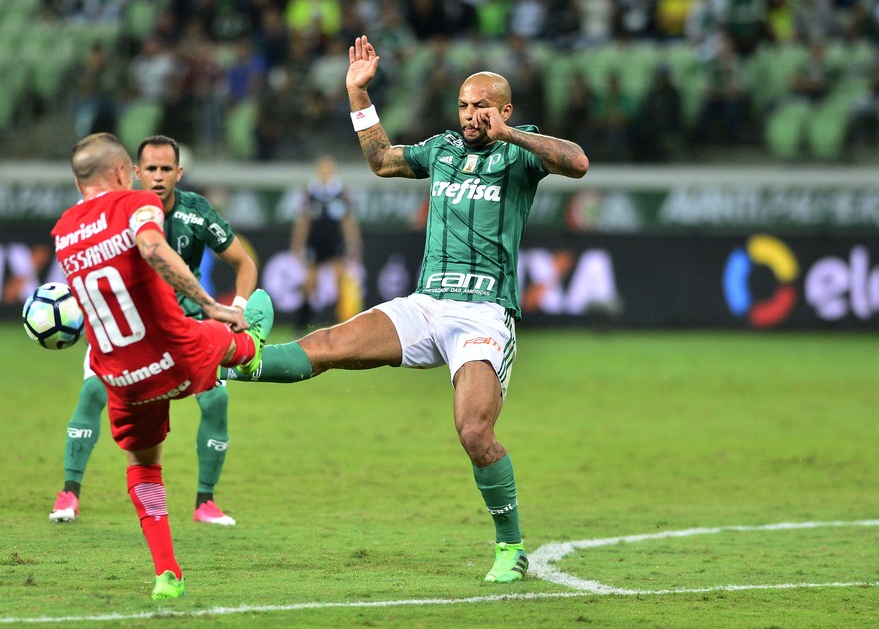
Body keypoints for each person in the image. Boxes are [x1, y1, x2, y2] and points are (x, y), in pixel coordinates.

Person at [223, 36, 588, 583]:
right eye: (464, 106)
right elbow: (380, 160)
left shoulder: (520, 150)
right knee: (325, 346)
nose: (470, 115)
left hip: (484, 313)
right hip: (425, 304)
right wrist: (356, 93)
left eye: (482, 106)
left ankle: (510, 547)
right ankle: (240, 360)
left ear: (505, 110)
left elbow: (578, 163)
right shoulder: (441, 149)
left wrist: (509, 134)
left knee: (474, 433)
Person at [52, 132, 273, 599]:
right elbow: (152, 249)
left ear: (78, 184)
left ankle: (167, 571)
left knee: (144, 466)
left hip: (124, 377)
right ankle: (251, 348)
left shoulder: (64, 231)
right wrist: (210, 305)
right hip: (178, 350)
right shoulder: (135, 204)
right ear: (123, 172)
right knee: (244, 342)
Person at [289, 154, 363, 329]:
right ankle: (302, 324)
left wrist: (354, 244)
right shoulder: (310, 193)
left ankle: (340, 323)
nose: (325, 172)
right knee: (309, 283)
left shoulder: (340, 193)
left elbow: (348, 221)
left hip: (334, 242)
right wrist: (297, 245)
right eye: (322, 169)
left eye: (328, 169)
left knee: (339, 282)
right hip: (315, 242)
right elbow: (303, 222)